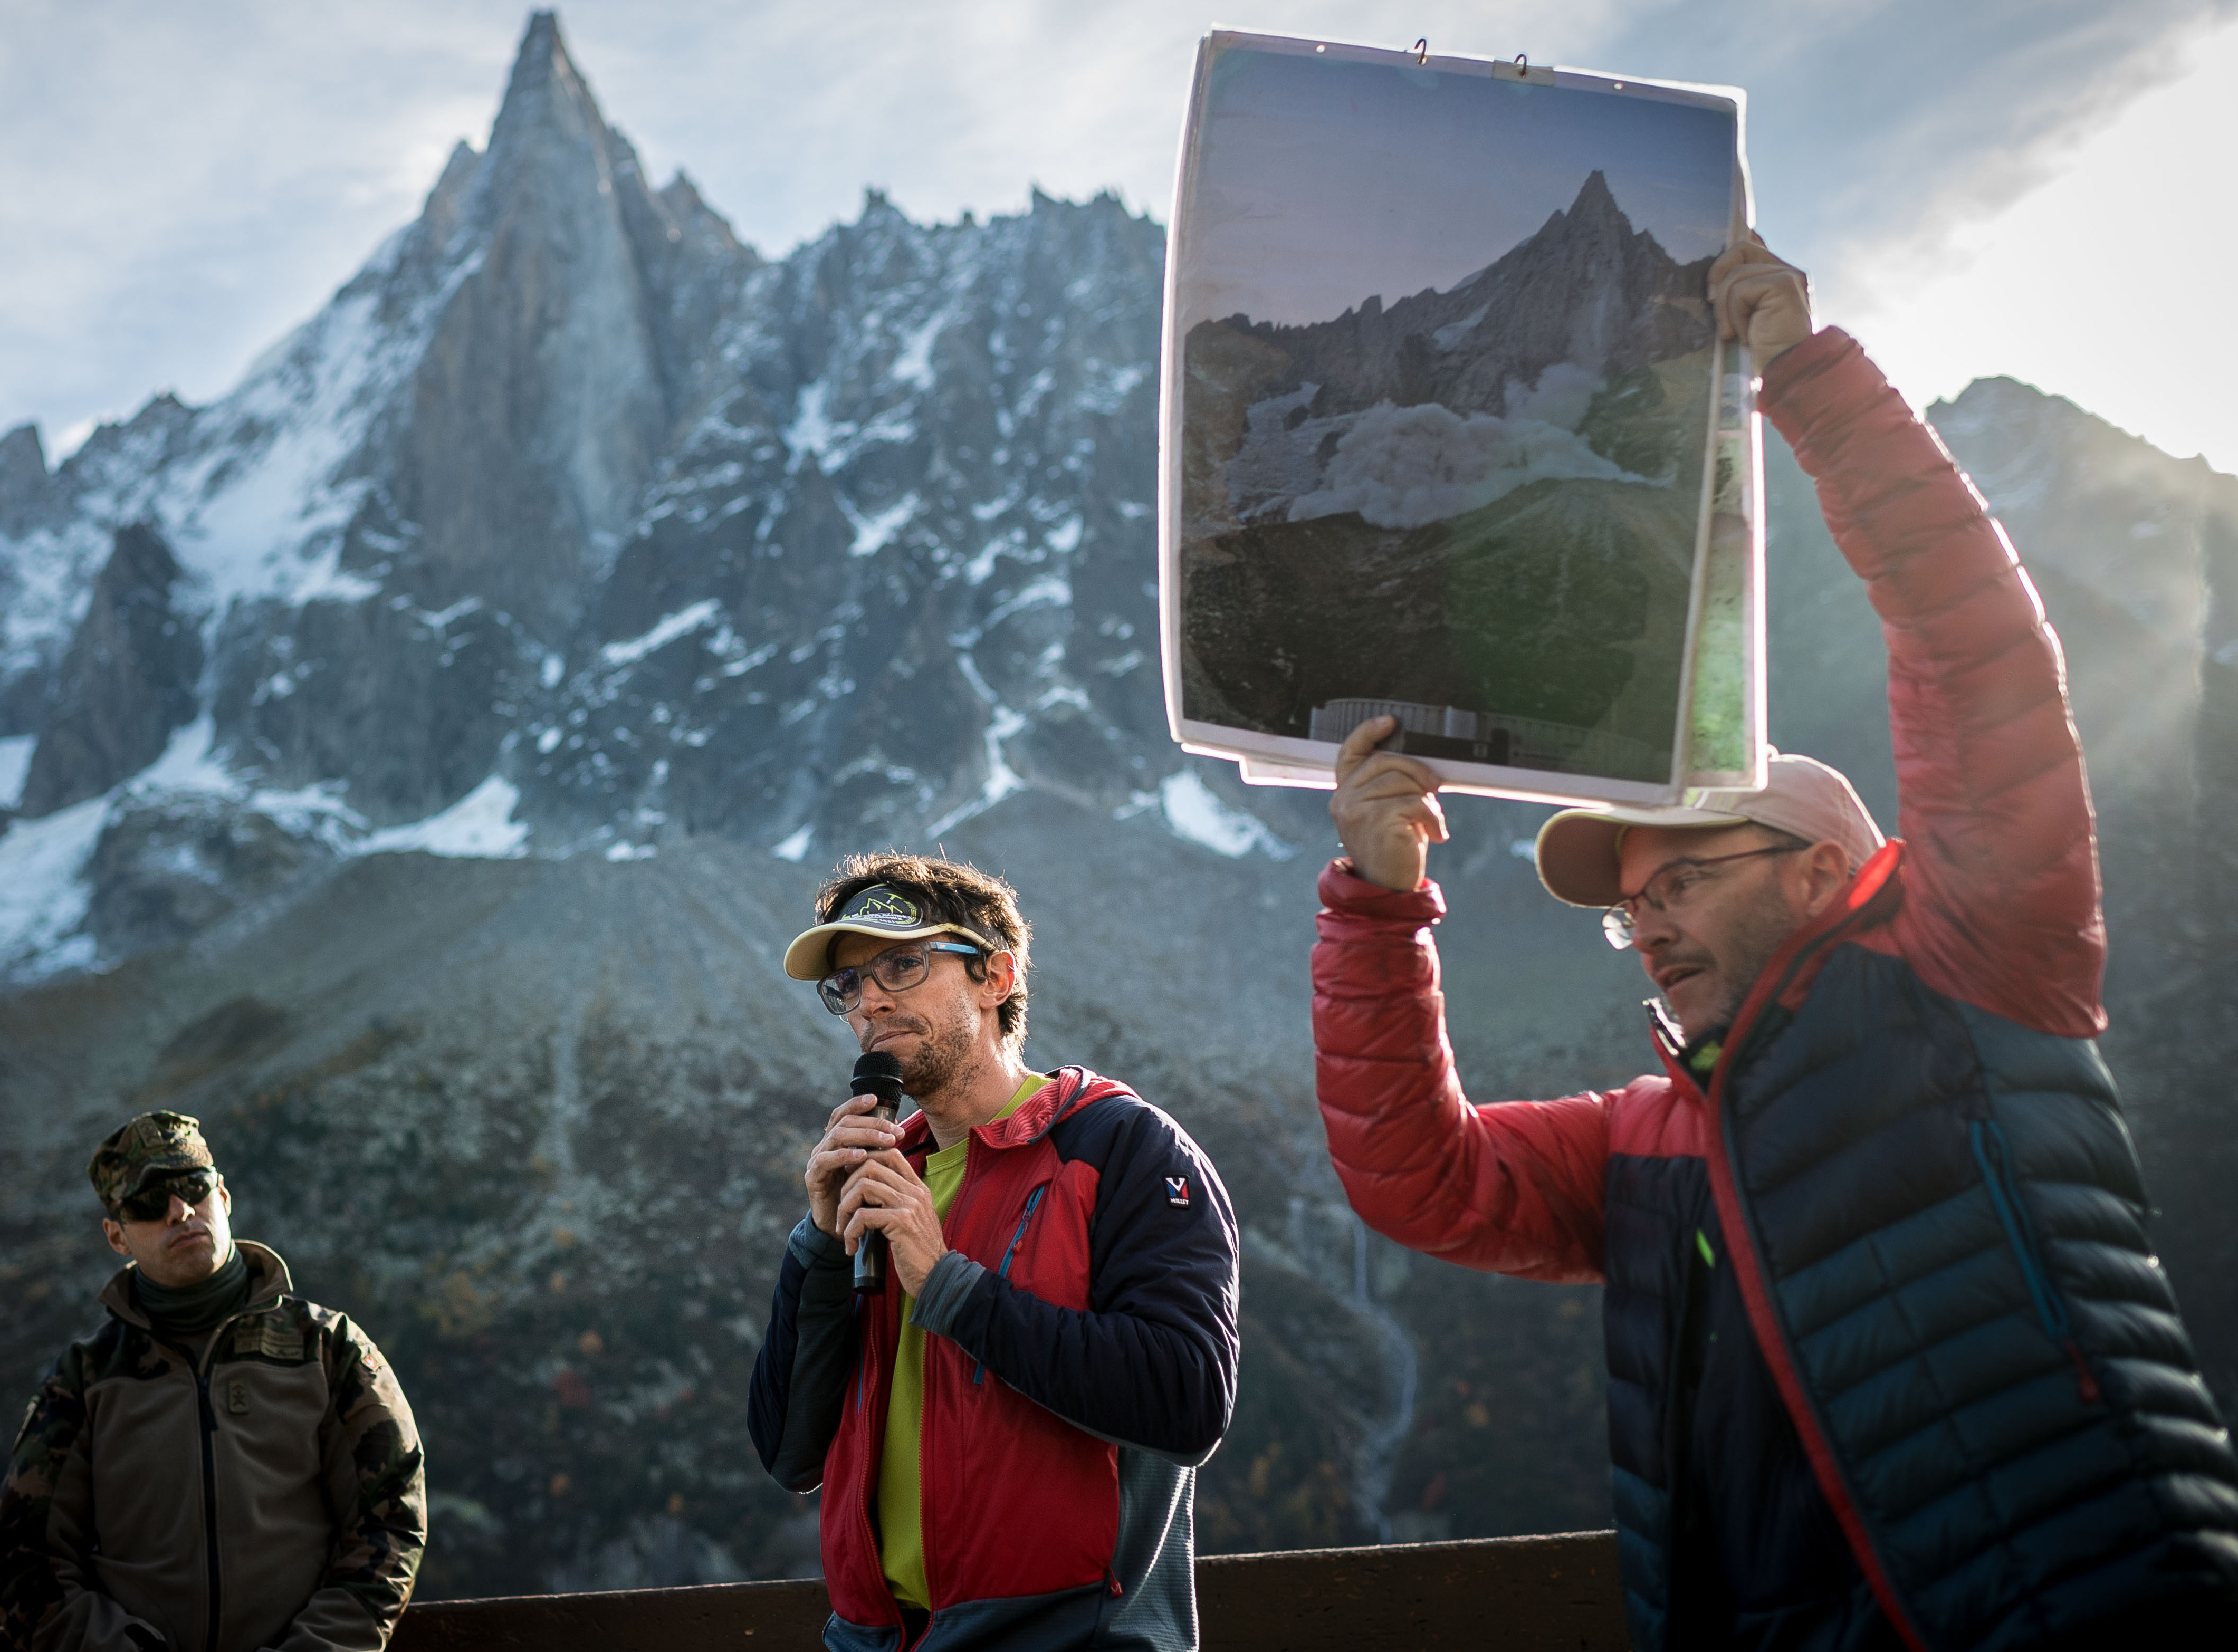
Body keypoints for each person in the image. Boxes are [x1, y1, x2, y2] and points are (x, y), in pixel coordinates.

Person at [1311, 231, 2238, 1649]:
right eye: (1631, 903)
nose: (1646, 922)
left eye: (1681, 878)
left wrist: (1811, 378)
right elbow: (1420, 1181)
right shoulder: (1642, 1136)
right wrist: (1378, 905)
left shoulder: (1975, 962)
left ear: (1825, 872)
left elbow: (1977, 657)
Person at [748, 856, 1241, 1651]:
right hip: (872, 1640)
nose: (870, 1000)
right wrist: (818, 1245)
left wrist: (947, 1284)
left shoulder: (1123, 1149)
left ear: (996, 978)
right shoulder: (880, 1182)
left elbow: (1187, 1403)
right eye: (848, 987)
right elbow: (789, 1452)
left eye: (903, 965)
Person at [0, 1110, 426, 1652]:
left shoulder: (329, 1348)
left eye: (193, 1187)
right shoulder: (85, 1378)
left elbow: (391, 1517)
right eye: (150, 1202)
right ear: (117, 1236)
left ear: (224, 1198)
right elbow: (24, 1553)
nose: (180, 1211)